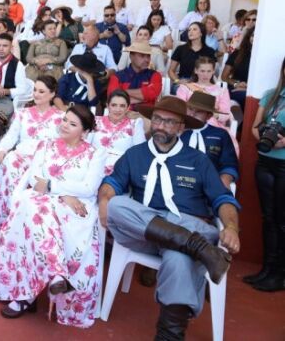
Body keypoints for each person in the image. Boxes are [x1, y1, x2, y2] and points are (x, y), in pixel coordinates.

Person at [99, 96, 240, 340]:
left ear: (182, 128)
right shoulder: (135, 154)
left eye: (169, 122)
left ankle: (169, 335)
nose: (161, 126)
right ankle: (200, 249)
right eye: (157, 119)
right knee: (118, 205)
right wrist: (104, 200)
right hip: (145, 233)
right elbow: (111, 184)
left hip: (190, 222)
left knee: (177, 254)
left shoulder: (198, 160)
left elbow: (223, 199)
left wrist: (231, 226)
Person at [0, 105, 105, 328]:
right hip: (45, 199)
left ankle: (26, 296)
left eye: (72, 123)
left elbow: (88, 187)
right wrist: (61, 192)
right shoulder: (46, 145)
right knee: (34, 205)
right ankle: (54, 275)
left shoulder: (95, 153)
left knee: (35, 211)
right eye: (64, 120)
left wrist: (60, 192)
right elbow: (36, 179)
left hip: (75, 206)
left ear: (85, 130)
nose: (64, 125)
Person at [0, 76, 64, 237]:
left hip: (44, 160)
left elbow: (62, 144)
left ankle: (26, 227)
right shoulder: (23, 114)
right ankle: (6, 225)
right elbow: (11, 136)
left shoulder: (60, 118)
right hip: (21, 156)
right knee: (10, 163)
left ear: (52, 94)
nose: (36, 94)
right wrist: (1, 150)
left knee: (31, 173)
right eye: (35, 90)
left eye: (41, 91)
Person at [248, 56, 285, 292]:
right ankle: (267, 269)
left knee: (282, 221)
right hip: (264, 162)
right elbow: (254, 126)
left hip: (284, 165)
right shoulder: (271, 94)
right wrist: (263, 139)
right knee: (268, 217)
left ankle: (280, 274)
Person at [180, 92, 239, 189]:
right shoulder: (177, 131)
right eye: (190, 108)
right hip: (179, 182)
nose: (192, 113)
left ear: (209, 115)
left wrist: (224, 181)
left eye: (199, 111)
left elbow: (230, 164)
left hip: (210, 183)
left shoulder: (220, 134)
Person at [90, 89, 146, 175]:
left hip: (119, 171)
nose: (117, 109)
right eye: (114, 105)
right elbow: (85, 146)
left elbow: (139, 152)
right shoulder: (95, 122)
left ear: (128, 108)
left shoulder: (135, 124)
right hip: (92, 167)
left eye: (122, 106)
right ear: (108, 106)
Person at [176, 56, 233, 131]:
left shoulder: (222, 91)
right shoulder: (185, 88)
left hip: (212, 126)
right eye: (202, 71)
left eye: (209, 71)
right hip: (189, 123)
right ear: (196, 71)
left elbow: (226, 114)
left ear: (213, 71)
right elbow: (180, 108)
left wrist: (211, 114)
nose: (205, 74)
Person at [108, 41, 162, 110]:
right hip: (123, 115)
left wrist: (122, 92)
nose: (147, 60)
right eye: (142, 55)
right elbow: (113, 99)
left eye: (148, 56)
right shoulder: (117, 76)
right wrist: (144, 98)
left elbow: (152, 94)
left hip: (146, 116)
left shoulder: (155, 75)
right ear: (131, 56)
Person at [168, 22, 216, 91]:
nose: (190, 32)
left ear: (201, 33)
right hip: (184, 81)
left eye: (194, 29)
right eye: (189, 30)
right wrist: (178, 81)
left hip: (202, 81)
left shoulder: (209, 51)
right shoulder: (181, 49)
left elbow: (211, 72)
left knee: (202, 93)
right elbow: (171, 71)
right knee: (183, 91)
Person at [222, 26, 253, 110]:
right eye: (252, 35)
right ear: (249, 37)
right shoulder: (238, 53)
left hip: (252, 90)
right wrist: (236, 84)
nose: (254, 38)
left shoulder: (264, 57)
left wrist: (248, 88)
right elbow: (224, 76)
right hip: (235, 86)